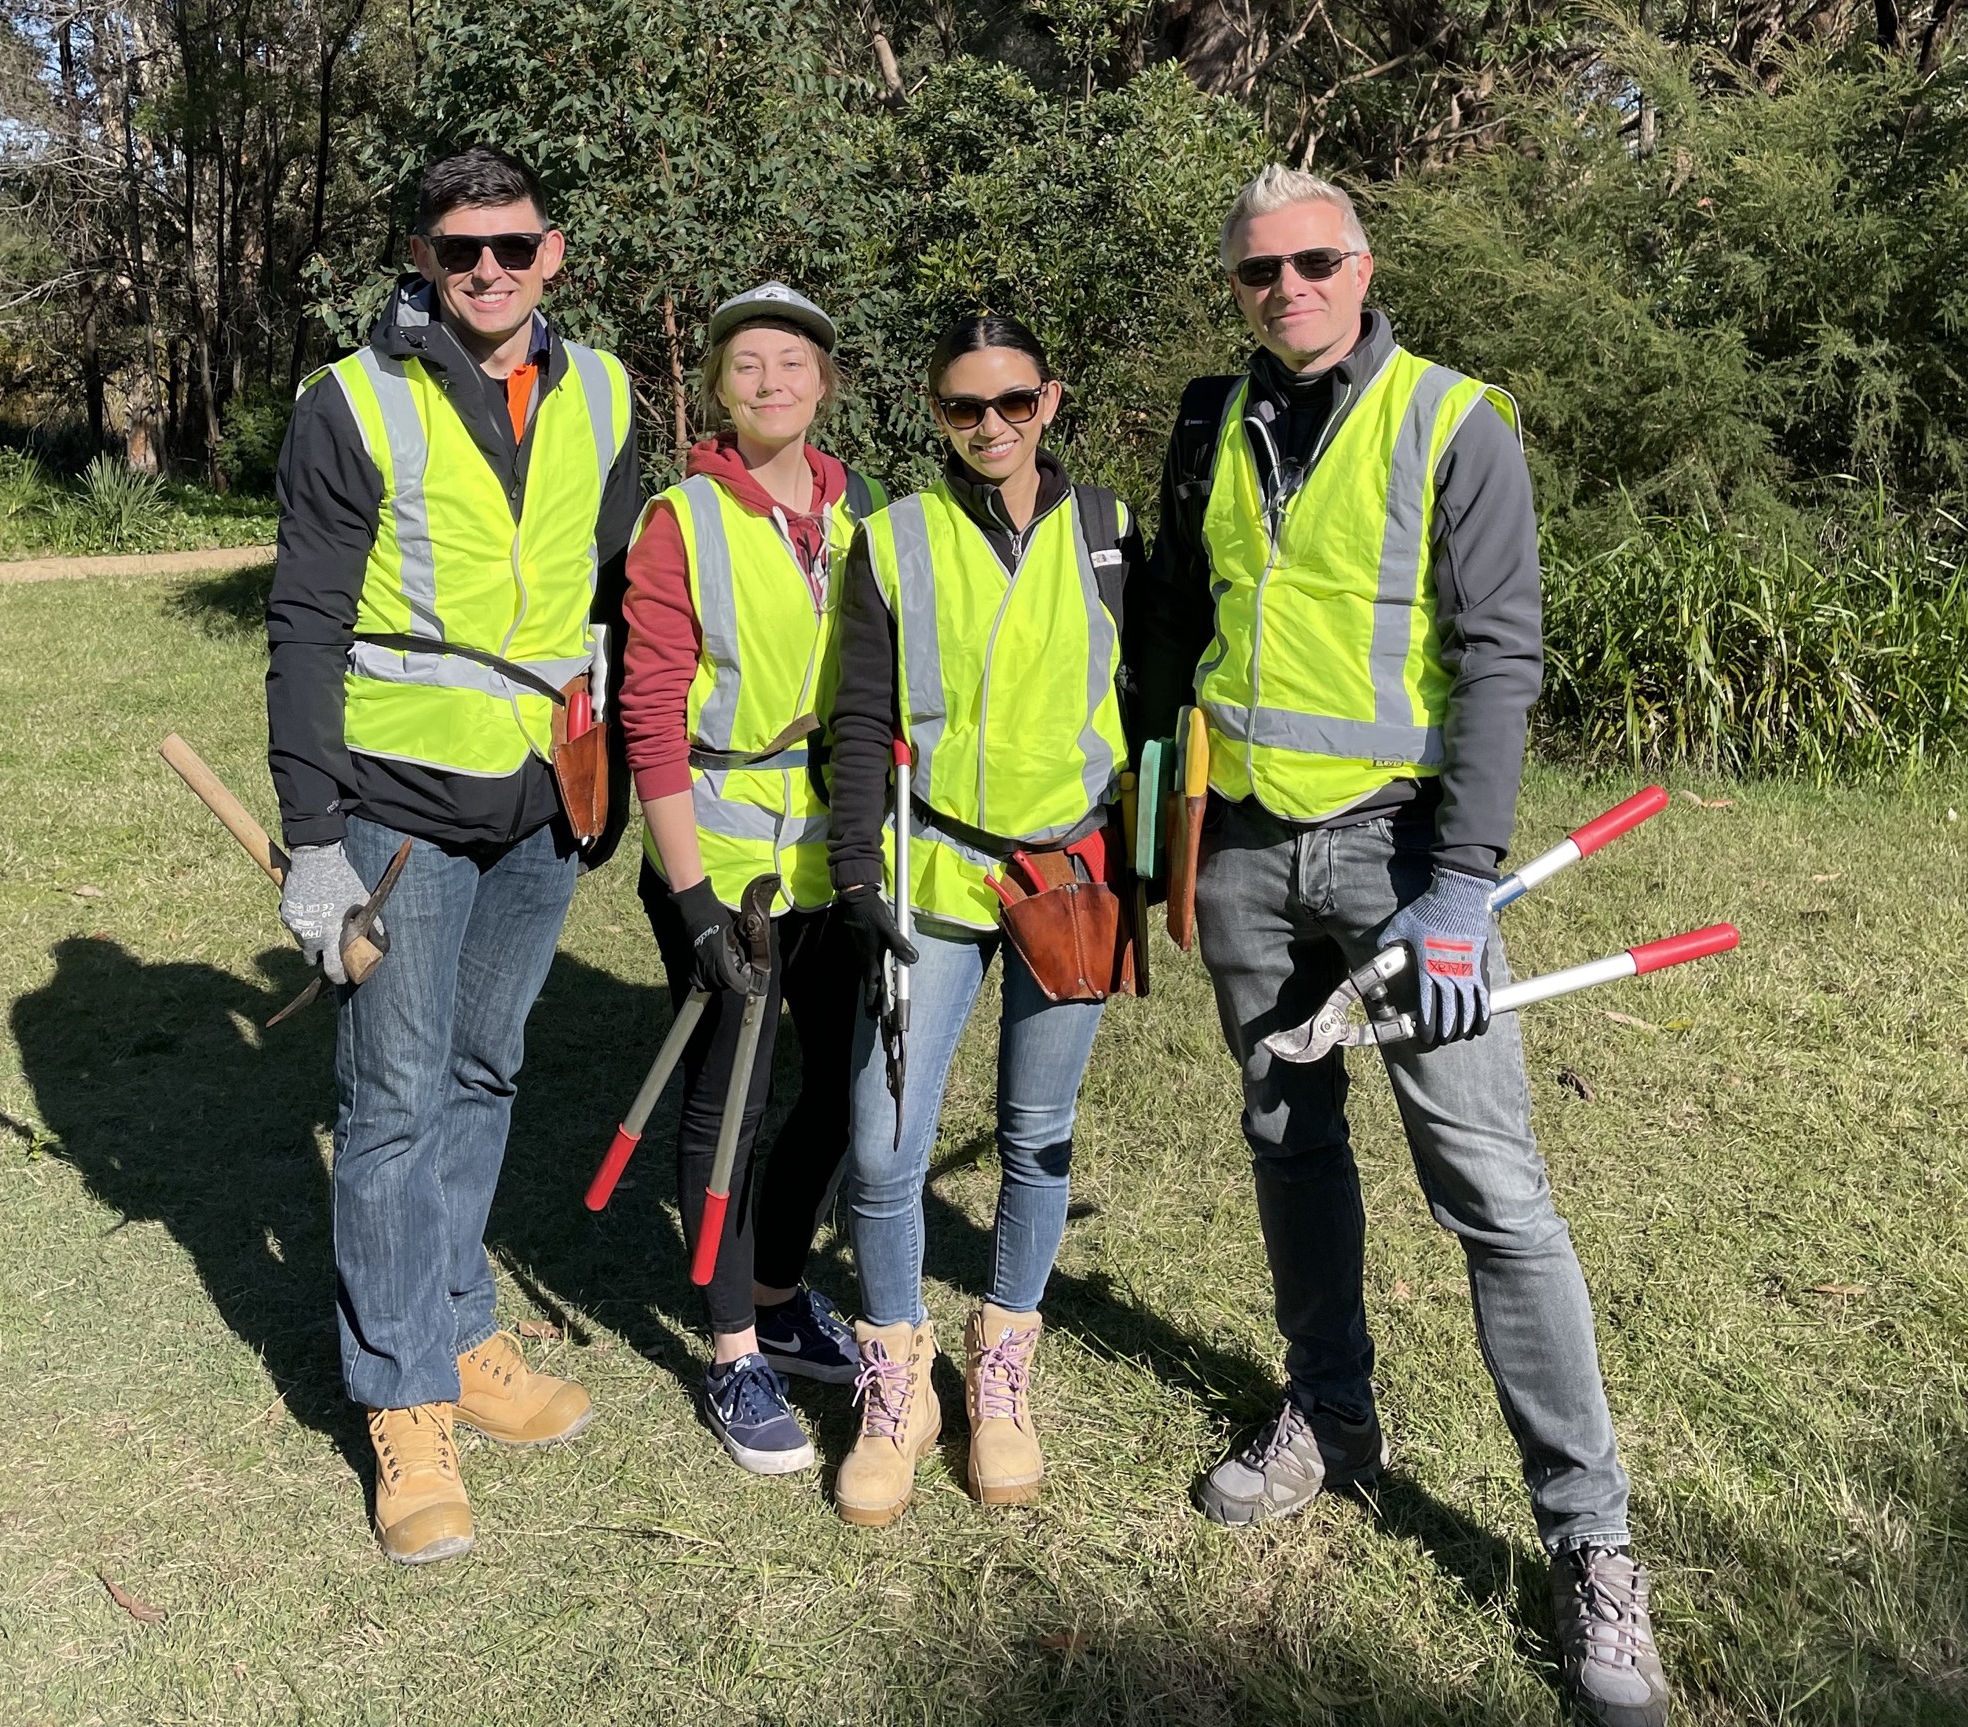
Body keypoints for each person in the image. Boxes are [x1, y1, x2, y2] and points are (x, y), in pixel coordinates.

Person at [1125, 163, 1668, 1726]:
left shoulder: (1454, 417)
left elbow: (1502, 651)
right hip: (1242, 849)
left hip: (1402, 853)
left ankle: (1589, 1539)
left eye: (1310, 262)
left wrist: (1460, 885)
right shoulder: (1208, 423)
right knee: (1287, 1141)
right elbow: (1183, 630)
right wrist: (1151, 814)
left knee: (1491, 1189)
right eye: (1255, 272)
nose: (1284, 288)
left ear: (1362, 267)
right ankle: (1330, 1416)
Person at [266, 144, 636, 1565]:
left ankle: (463, 1329)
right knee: (391, 1102)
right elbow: (302, 624)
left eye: (513, 244)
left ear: (554, 252)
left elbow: (605, 596)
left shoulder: (602, 392)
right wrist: (314, 839)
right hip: (397, 802)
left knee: (486, 1071)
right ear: (420, 257)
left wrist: (603, 771)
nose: (488, 268)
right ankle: (403, 1396)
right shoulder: (351, 404)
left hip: (544, 799)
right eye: (458, 247)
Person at [823, 313, 1145, 1526]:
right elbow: (858, 717)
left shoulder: (1110, 533)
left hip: (1070, 875)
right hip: (933, 873)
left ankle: (1002, 1364)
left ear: (1049, 399)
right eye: (965, 408)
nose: (992, 427)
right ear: (935, 410)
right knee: (883, 1141)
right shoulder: (893, 538)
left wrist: (1154, 857)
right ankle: (895, 1379)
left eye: (1013, 402)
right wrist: (859, 871)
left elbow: (1154, 697)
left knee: (1036, 1127)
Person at [620, 283, 887, 1475]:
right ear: (719, 387)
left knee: (840, 1088)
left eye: (790, 363)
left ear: (823, 380)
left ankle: (777, 1291)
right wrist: (688, 897)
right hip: (724, 859)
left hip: (838, 855)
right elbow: (649, 718)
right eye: (746, 366)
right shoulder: (681, 518)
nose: (770, 382)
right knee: (728, 1097)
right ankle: (732, 1351)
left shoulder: (857, 509)